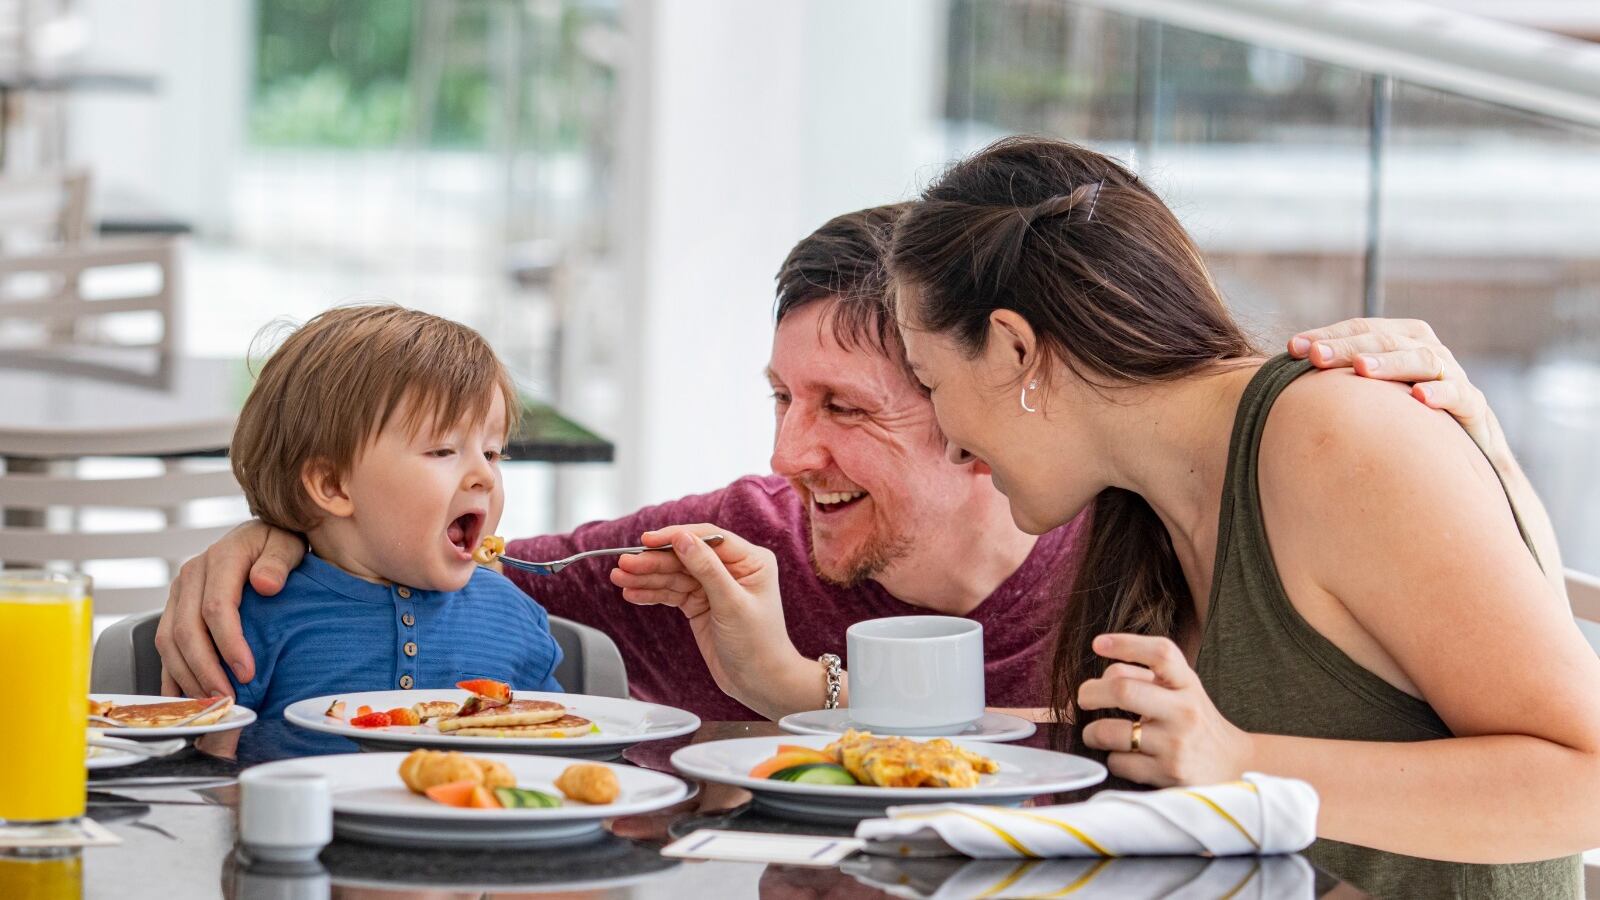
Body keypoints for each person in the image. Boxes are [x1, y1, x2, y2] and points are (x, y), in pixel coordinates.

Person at [158, 206, 1529, 726]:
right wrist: (271, 535)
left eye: (847, 408)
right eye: (778, 397)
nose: (784, 452)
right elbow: (451, 572)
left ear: (979, 395)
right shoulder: (733, 541)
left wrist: (800, 691)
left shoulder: (1146, 560)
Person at [875, 136, 1594, 895]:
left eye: (930, 382)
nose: (948, 444)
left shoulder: (1333, 438)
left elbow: (1589, 780)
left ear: (1015, 347)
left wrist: (1243, 764)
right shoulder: (1144, 518)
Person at [222, 304, 563, 721]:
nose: (484, 476)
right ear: (333, 485)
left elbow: (557, 736)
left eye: (492, 453)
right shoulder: (254, 621)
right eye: (443, 450)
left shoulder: (513, 616)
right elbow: (206, 749)